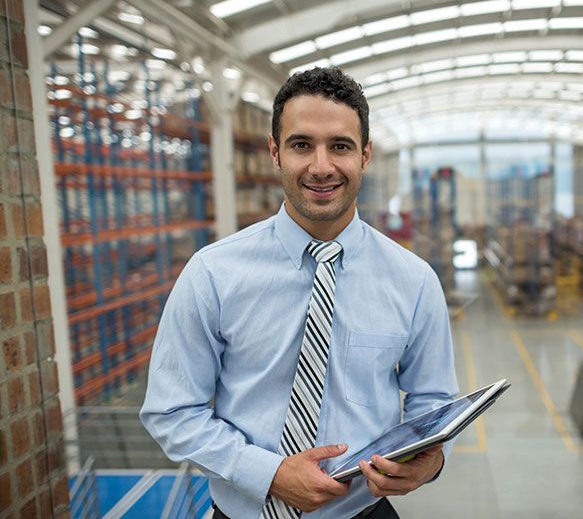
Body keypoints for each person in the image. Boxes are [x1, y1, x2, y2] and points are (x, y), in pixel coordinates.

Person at [140, 67, 459, 519]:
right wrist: (266, 473)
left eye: (341, 146)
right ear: (275, 152)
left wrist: (430, 462)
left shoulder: (414, 280)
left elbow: (434, 401)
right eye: (301, 145)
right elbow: (171, 412)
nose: (322, 166)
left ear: (365, 155)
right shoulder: (213, 273)